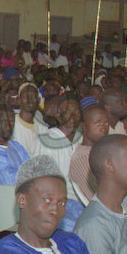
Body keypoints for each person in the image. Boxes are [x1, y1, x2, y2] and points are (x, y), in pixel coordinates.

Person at [39, 96, 83, 230]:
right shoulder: (49, 140)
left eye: (76, 112)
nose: (73, 116)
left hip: (83, 199)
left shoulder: (81, 139)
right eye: (68, 112)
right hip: (63, 201)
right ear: (58, 115)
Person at [68, 104, 109, 201]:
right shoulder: (83, 157)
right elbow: (99, 195)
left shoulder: (100, 151)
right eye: (97, 123)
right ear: (84, 126)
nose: (103, 128)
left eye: (106, 124)